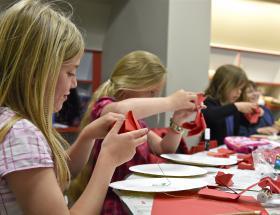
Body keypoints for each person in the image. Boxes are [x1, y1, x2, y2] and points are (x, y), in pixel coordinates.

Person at [0, 1, 149, 214]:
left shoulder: (11, 123)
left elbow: (56, 179)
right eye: (70, 72)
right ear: (35, 73)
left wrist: (88, 135)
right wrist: (108, 161)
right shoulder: (21, 134)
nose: (75, 83)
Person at [70, 50, 201, 214]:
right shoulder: (105, 107)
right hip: (113, 202)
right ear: (132, 82)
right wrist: (170, 102)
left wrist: (178, 121)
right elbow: (121, 111)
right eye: (151, 92)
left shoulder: (137, 120)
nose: (153, 98)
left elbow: (163, 148)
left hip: (135, 198)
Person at [202, 64, 257, 145]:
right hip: (209, 151)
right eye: (236, 88)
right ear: (223, 85)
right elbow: (211, 115)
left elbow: (243, 128)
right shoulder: (208, 101)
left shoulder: (233, 105)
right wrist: (236, 107)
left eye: (241, 89)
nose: (239, 92)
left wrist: (254, 115)